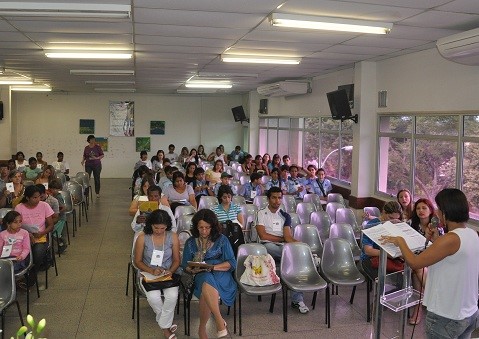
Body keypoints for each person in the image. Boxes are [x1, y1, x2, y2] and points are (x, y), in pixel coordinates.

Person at [380, 189, 479, 338]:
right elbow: (451, 256)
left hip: (446, 316)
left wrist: (400, 241)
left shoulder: (450, 239)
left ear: (446, 212)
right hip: (469, 312)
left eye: (439, 209)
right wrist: (436, 240)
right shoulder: (472, 234)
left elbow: (415, 263)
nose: (437, 213)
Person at [361, 201, 425, 324]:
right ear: (383, 213)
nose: (393, 221)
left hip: (392, 258)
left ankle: (416, 306)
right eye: (390, 218)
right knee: (385, 280)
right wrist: (388, 254)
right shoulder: (372, 225)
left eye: (397, 218)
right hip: (370, 260)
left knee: (410, 274)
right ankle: (378, 304)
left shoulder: (398, 224)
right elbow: (368, 251)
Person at [181, 209, 237, 339]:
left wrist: (213, 267)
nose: (204, 231)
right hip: (200, 274)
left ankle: (202, 330)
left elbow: (232, 263)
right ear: (196, 227)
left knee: (205, 290)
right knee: (205, 279)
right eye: (201, 228)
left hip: (221, 274)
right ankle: (219, 321)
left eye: (207, 228)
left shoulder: (222, 240)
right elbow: (185, 265)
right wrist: (192, 269)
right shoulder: (190, 242)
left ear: (213, 227)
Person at [256, 187, 308, 314]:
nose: (277, 200)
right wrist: (281, 239)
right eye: (274, 197)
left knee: (294, 256)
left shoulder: (285, 215)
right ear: (268, 199)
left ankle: (297, 299)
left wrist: (300, 245)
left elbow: (288, 237)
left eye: (279, 198)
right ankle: (307, 260)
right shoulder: (261, 213)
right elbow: (263, 236)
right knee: (292, 255)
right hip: (266, 246)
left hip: (283, 247)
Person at [134, 209, 180, 339]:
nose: (159, 231)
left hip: (167, 273)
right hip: (148, 273)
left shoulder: (172, 236)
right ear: (150, 225)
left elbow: (177, 260)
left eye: (162, 228)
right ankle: (166, 328)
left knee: (172, 296)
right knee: (154, 298)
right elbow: (137, 261)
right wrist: (151, 270)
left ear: (167, 227)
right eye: (156, 228)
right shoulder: (143, 237)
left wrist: (170, 271)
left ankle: (165, 326)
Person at [15, 185, 54, 289]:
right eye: (34, 197)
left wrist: (42, 233)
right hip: (23, 236)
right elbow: (16, 226)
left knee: (37, 252)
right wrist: (28, 234)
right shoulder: (19, 207)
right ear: (27, 198)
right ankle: (15, 276)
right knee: (17, 251)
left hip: (40, 236)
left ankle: (31, 278)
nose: (38, 200)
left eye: (39, 197)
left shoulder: (44, 205)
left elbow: (51, 225)